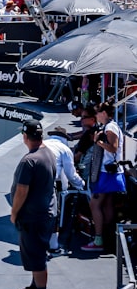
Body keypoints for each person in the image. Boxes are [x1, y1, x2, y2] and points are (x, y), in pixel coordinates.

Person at [11, 119, 56, 289]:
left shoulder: (29, 161)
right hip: (46, 213)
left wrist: (14, 213)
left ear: (25, 136)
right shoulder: (48, 154)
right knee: (35, 254)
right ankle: (34, 287)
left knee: (36, 257)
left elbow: (22, 191)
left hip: (33, 217)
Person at [81, 102, 126, 252]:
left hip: (107, 174)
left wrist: (98, 142)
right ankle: (107, 238)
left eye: (98, 113)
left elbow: (113, 147)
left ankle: (98, 239)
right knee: (106, 205)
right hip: (110, 173)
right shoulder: (110, 126)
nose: (96, 116)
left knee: (95, 205)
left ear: (105, 113)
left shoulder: (110, 127)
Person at [43, 127, 86, 253]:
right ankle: (54, 246)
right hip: (49, 182)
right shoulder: (64, 149)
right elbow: (70, 174)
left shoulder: (42, 144)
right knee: (54, 214)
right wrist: (81, 184)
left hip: (33, 181)